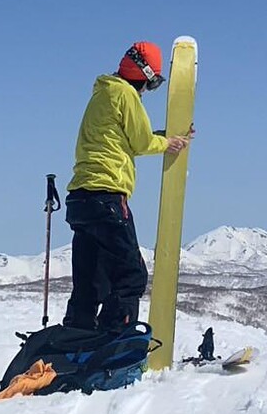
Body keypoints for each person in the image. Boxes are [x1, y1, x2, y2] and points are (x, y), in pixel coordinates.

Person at [62, 42, 192, 335]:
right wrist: (169, 144)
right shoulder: (125, 93)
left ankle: (76, 338)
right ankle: (114, 341)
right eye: (154, 82)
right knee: (131, 276)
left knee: (91, 282)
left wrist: (165, 137)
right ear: (144, 75)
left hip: (81, 201)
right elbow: (142, 143)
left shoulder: (103, 94)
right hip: (107, 196)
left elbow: (130, 137)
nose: (149, 89)